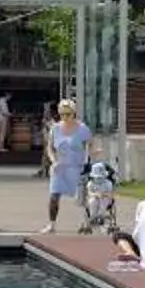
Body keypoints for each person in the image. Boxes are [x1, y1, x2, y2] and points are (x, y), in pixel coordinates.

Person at [43, 99, 95, 233]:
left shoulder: (82, 129)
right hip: (60, 168)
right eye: (62, 114)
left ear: (74, 113)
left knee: (82, 199)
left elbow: (91, 145)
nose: (65, 117)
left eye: (68, 114)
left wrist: (89, 159)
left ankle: (86, 223)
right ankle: (52, 225)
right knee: (54, 196)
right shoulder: (55, 129)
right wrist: (54, 161)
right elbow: (50, 148)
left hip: (77, 167)